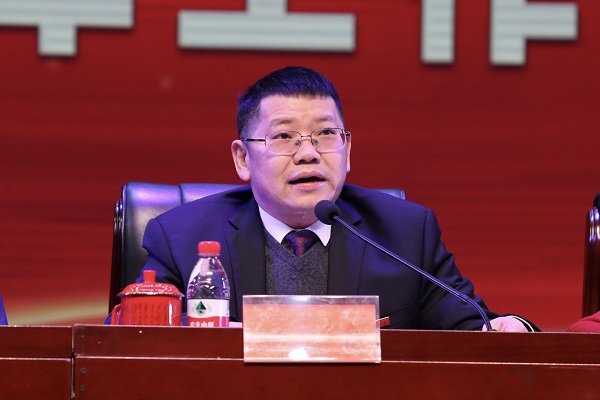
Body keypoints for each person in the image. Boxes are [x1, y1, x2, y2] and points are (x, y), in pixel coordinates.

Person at [137, 66, 537, 331]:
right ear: (243, 158)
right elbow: (133, 338)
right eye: (284, 136)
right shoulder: (182, 238)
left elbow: (474, 329)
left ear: (347, 150)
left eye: (326, 134)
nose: (308, 153)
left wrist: (510, 326)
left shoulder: (405, 234)